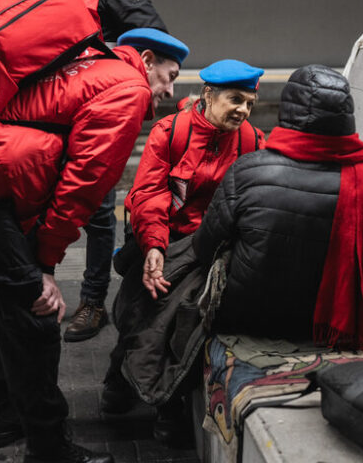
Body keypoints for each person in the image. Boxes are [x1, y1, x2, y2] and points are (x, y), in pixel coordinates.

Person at [0, 27, 188, 463]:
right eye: (169, 76)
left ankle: (6, 418)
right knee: (36, 315)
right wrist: (44, 264)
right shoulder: (128, 88)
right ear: (147, 59)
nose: (169, 91)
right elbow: (83, 186)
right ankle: (48, 447)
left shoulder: (88, 62)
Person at [101, 59, 265, 442]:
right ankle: (119, 380)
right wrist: (155, 246)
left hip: (212, 249)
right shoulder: (170, 133)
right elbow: (147, 194)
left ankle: (167, 402)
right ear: (208, 95)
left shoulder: (253, 142)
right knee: (137, 308)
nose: (242, 109)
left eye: (250, 104)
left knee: (183, 321)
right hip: (164, 239)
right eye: (235, 99)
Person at [32, 0, 168, 343]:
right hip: (50, 110)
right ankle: (42, 290)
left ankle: (92, 302)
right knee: (44, 204)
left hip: (95, 112)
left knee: (95, 209)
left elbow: (150, 33)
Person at [193, 64, 363, 349]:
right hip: (335, 319)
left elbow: (205, 247)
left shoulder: (248, 169)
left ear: (287, 110)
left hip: (250, 313)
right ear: (345, 114)